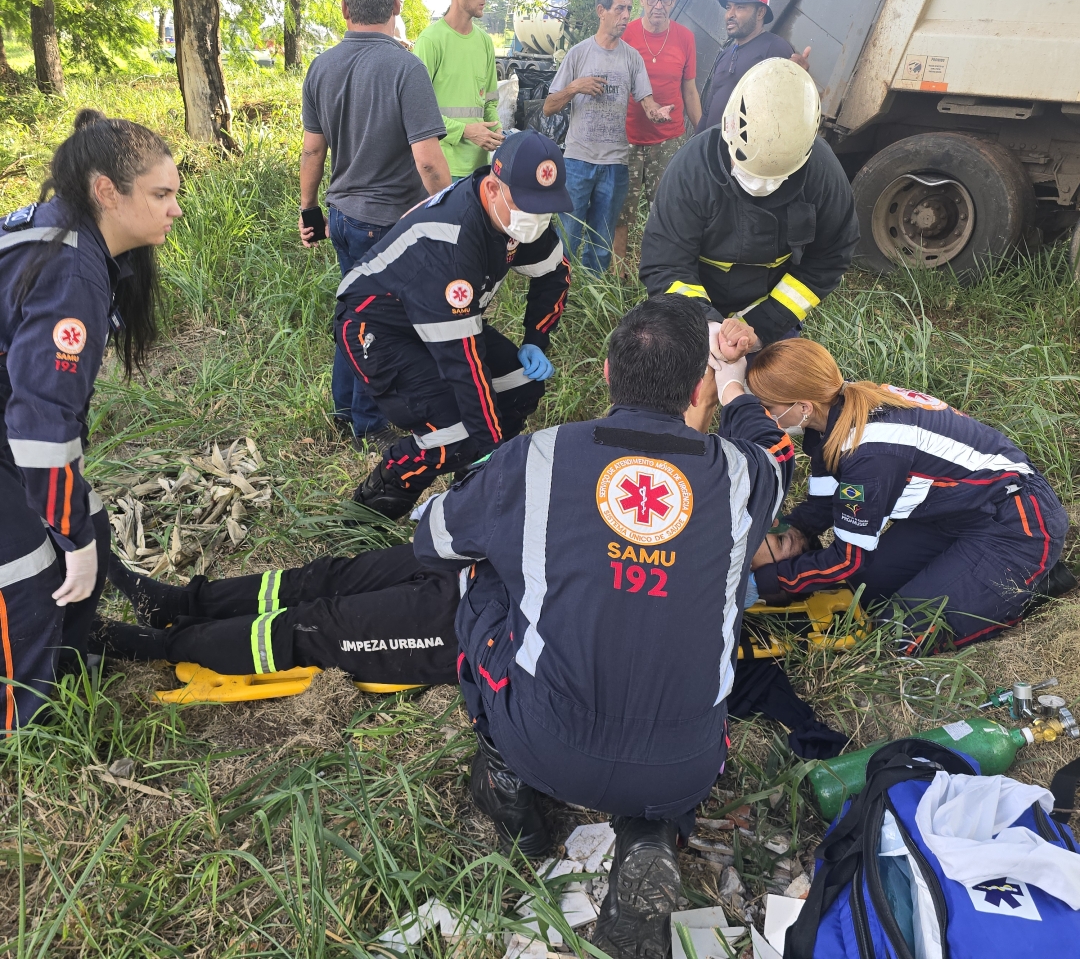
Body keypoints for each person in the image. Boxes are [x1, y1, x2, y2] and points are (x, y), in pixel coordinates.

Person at [413, 295, 793, 958]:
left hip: (545, 744)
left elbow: (433, 540)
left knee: (482, 576)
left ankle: (507, 779)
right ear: (699, 387)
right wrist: (735, 383)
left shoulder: (537, 458)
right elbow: (766, 442)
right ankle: (646, 835)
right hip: (687, 764)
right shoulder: (745, 475)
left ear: (608, 374)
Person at [0, 110, 181, 730]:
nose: (174, 210)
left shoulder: (84, 243)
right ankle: (25, 726)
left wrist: (79, 530)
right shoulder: (71, 268)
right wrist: (67, 539)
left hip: (10, 417)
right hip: (12, 425)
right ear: (107, 190)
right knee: (24, 570)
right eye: (161, 195)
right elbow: (41, 425)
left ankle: (71, 654)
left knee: (87, 523)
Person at [745, 337, 1070, 648]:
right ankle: (965, 572)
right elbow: (823, 505)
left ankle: (1030, 585)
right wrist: (785, 532)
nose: (765, 416)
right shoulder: (831, 419)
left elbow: (848, 557)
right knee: (864, 592)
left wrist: (765, 583)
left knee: (899, 634)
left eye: (768, 407)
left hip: (1016, 523)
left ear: (803, 405)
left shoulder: (868, 453)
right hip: (951, 514)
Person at [337, 129, 572, 521]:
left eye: (545, 207)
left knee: (521, 382)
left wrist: (536, 338)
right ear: (494, 188)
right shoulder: (450, 241)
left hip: (448, 323)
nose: (537, 219)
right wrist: (488, 441)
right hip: (378, 328)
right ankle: (369, 512)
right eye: (528, 205)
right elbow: (462, 363)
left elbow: (554, 274)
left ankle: (473, 482)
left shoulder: (520, 217)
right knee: (453, 433)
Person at [300, 0, 450, 449]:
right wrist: (451, 213)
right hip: (386, 224)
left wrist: (309, 212)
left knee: (351, 310)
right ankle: (367, 423)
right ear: (396, 7)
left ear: (344, 10)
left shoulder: (320, 66)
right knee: (377, 327)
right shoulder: (406, 69)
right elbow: (428, 162)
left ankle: (344, 408)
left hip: (341, 217)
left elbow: (312, 150)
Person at [639, 58, 859, 363]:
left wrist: (760, 326)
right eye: (746, 169)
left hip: (771, 312)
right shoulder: (692, 169)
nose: (759, 186)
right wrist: (707, 326)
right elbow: (666, 264)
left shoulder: (823, 175)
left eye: (774, 179)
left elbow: (829, 259)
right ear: (731, 127)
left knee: (773, 395)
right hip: (693, 307)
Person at [96, 545, 458, 684]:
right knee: (324, 578)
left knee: (313, 627)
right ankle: (175, 605)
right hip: (478, 559)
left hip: (485, 617)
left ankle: (154, 646)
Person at [543, 0, 674, 274]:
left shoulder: (632, 57)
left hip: (615, 164)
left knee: (601, 243)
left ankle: (591, 299)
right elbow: (549, 106)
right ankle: (555, 294)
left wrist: (656, 112)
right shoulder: (578, 54)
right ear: (601, 11)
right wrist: (575, 87)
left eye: (629, 8)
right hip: (577, 161)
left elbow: (647, 100)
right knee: (567, 238)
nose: (626, 15)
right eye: (619, 9)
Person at [612, 0, 701, 269]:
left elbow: (689, 91)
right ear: (642, 0)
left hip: (669, 142)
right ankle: (618, 276)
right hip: (628, 138)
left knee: (667, 213)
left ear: (674, 1)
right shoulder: (627, 33)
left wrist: (702, 136)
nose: (658, 5)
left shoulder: (685, 37)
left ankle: (661, 275)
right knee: (621, 213)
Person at [414, 0, 503, 182]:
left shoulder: (484, 42)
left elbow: (490, 102)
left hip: (480, 171)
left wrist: (498, 131)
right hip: (442, 171)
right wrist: (464, 131)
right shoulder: (430, 41)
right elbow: (417, 114)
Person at [696, 0, 811, 133]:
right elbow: (708, 110)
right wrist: (697, 147)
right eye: (728, 7)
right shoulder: (725, 55)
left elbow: (787, 109)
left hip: (747, 154)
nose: (730, 14)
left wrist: (799, 80)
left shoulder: (774, 49)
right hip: (714, 151)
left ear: (760, 12)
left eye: (740, 7)